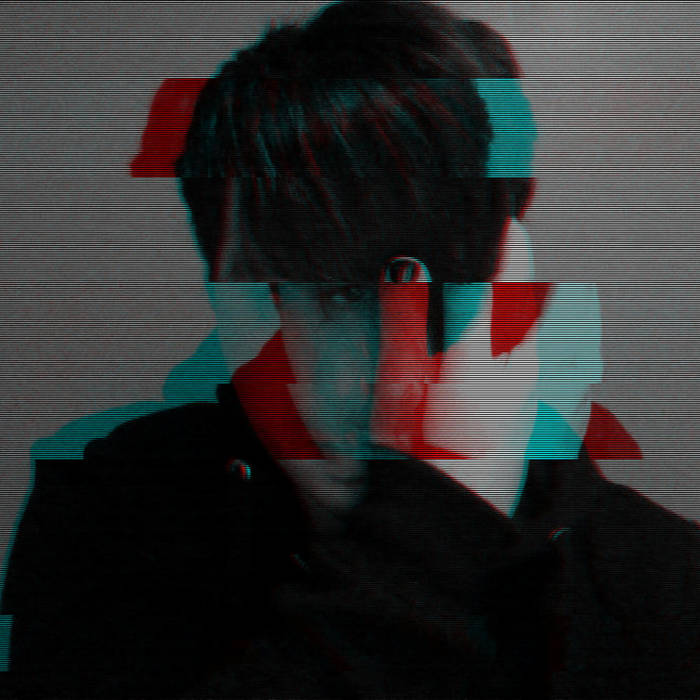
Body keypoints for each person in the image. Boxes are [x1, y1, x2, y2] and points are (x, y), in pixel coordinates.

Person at [1, 1, 697, 697]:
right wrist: (433, 535)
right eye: (281, 285)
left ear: (500, 274)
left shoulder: (664, 590)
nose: (345, 373)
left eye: (403, 282)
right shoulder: (114, 512)